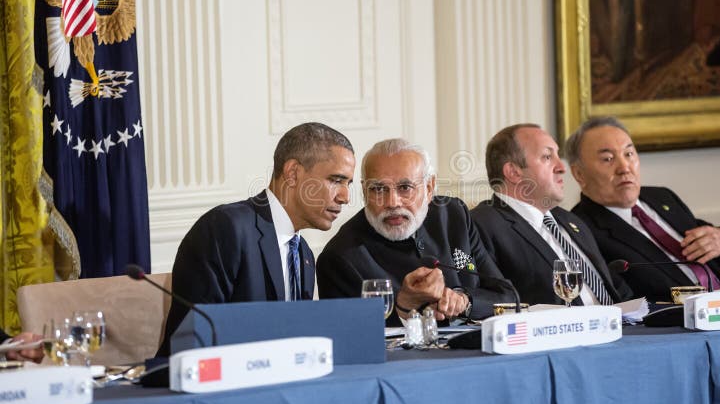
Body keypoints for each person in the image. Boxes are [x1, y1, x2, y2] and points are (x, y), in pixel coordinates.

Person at [157, 122, 355, 355]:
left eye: (348, 183)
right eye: (336, 180)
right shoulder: (225, 228)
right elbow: (195, 341)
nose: (345, 197)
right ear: (293, 173)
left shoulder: (303, 253)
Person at [317, 138, 517, 326]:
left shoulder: (453, 215)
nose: (392, 202)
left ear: (429, 188)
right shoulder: (340, 257)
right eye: (378, 189)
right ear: (364, 191)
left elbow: (508, 297)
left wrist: (464, 300)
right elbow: (348, 336)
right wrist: (403, 309)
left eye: (405, 187)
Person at [565, 117, 720, 302]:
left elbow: (715, 241)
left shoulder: (662, 198)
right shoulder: (580, 230)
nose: (624, 168)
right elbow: (623, 301)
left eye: (628, 154)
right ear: (579, 174)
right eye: (608, 159)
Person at [472, 124, 633, 307]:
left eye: (557, 155)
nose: (561, 167)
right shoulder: (483, 225)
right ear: (514, 172)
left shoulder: (570, 220)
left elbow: (613, 288)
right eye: (547, 157)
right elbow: (494, 299)